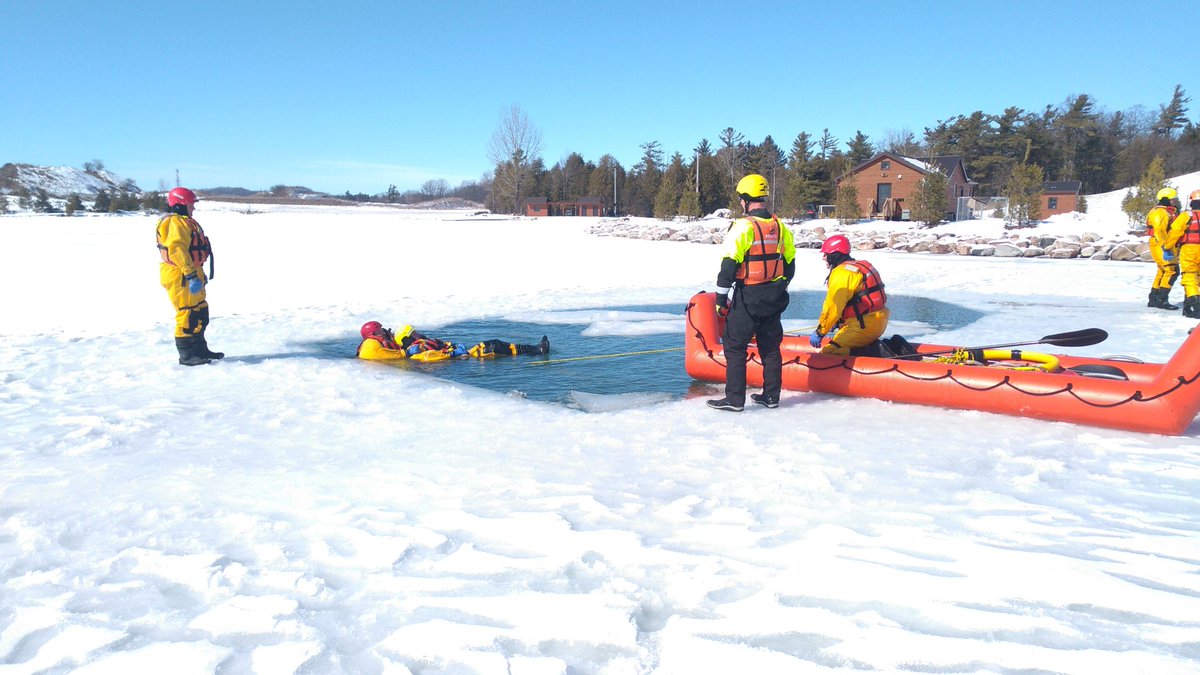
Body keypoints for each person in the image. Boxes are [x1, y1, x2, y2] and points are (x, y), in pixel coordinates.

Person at [706, 174, 796, 412]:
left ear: (745, 200)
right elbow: (790, 265)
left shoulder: (743, 227)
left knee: (735, 346)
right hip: (773, 297)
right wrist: (779, 286)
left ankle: (735, 400)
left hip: (748, 297)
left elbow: (729, 266)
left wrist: (720, 299)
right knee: (770, 348)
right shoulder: (780, 226)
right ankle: (771, 396)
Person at [156, 186, 222, 366]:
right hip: (180, 274)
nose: (193, 208)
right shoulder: (173, 223)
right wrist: (191, 275)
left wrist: (198, 274)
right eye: (190, 204)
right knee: (187, 313)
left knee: (200, 310)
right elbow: (177, 251)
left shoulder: (185, 222)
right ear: (180, 204)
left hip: (193, 272)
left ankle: (200, 349)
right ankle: (187, 355)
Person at [810, 234, 889, 355]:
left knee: (829, 353)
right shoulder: (860, 265)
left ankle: (872, 354)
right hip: (876, 322)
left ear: (835, 254)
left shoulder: (843, 273)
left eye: (826, 254)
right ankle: (881, 349)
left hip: (862, 327)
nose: (824, 258)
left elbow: (833, 307)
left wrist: (820, 332)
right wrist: (837, 322)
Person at [356, 321, 549, 361]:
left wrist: (452, 346)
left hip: (462, 356)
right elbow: (430, 357)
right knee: (493, 345)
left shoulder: (418, 345)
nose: (418, 335)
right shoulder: (416, 351)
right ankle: (536, 351)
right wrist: (454, 352)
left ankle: (534, 350)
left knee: (495, 344)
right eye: (413, 334)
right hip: (465, 360)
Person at [1145, 187, 1189, 310]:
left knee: (1162, 270)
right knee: (1172, 270)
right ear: (1166, 200)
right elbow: (1159, 230)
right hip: (1161, 243)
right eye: (1173, 200)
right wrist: (1166, 247)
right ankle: (1161, 300)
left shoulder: (1163, 211)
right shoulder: (1161, 212)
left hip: (1159, 243)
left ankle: (1154, 298)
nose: (1175, 202)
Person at [1179, 189, 1200, 318]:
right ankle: (1188, 307)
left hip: (1189, 249)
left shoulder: (1187, 216)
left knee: (1189, 277)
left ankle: (1196, 306)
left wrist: (1168, 247)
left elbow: (1175, 231)